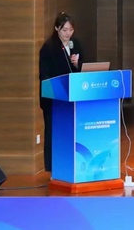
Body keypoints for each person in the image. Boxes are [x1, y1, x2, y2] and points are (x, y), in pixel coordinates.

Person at [39, 12, 84, 172]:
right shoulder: (49, 47)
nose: (68, 34)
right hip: (54, 98)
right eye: (64, 30)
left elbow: (84, 67)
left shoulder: (75, 44)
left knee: (70, 131)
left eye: (71, 30)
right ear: (57, 28)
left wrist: (77, 64)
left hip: (73, 95)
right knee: (53, 131)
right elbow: (44, 75)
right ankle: (52, 167)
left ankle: (71, 163)